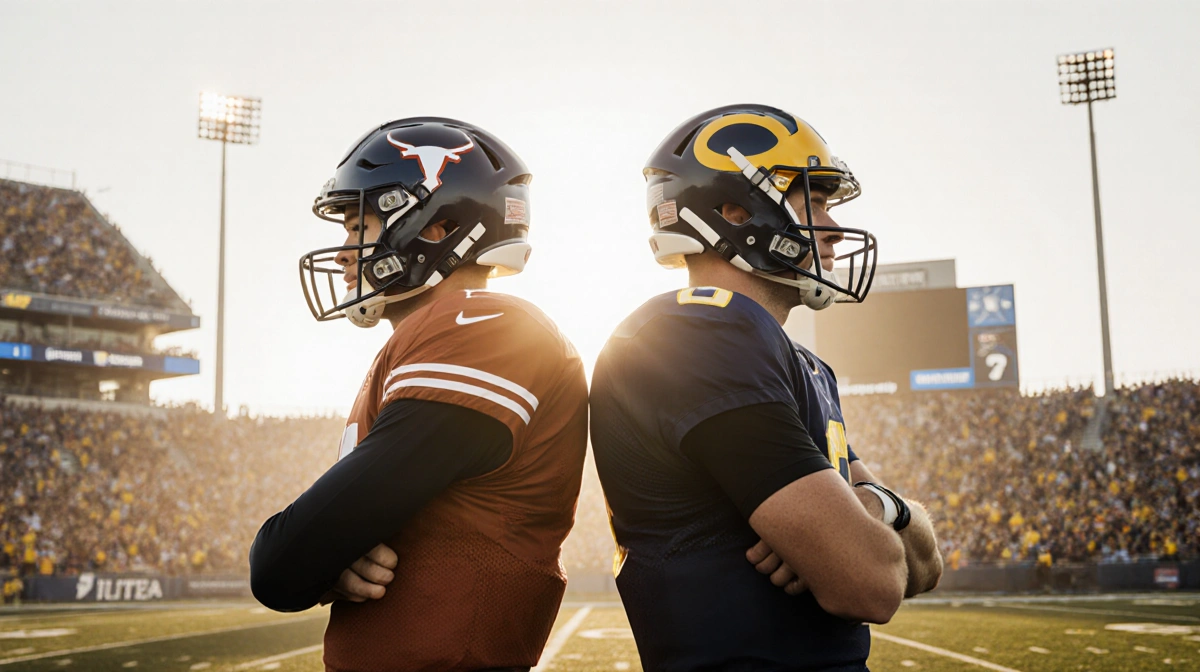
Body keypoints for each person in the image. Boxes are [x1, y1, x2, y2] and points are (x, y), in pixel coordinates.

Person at [590, 104, 943, 671]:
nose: (832, 228)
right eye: (815, 202)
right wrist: (860, 530)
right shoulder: (696, 333)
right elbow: (871, 585)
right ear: (736, 211)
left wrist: (880, 506)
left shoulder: (801, 363)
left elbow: (926, 567)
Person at [249, 118, 589, 672]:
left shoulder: (485, 326)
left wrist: (316, 554)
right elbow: (316, 544)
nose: (343, 254)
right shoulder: (422, 341)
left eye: (359, 226)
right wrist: (330, 556)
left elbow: (279, 566)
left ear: (436, 228)